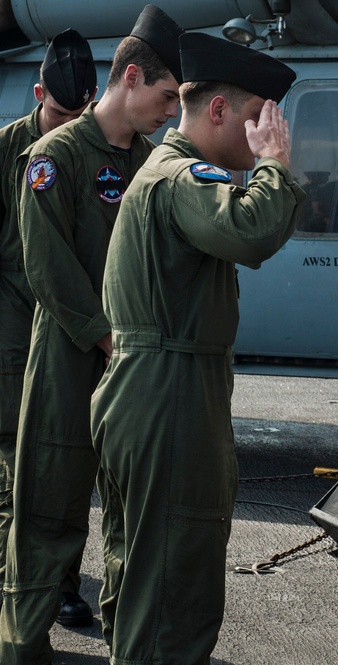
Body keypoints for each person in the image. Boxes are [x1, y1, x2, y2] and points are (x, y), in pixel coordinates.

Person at [90, 32, 302, 663]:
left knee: (140, 580)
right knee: (173, 593)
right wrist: (275, 166)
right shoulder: (183, 177)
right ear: (218, 112)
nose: (269, 133)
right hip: (170, 401)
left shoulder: (163, 172)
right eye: (259, 118)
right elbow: (253, 229)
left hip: (152, 392)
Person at [0, 6, 184, 662]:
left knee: (132, 516)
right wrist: (108, 337)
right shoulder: (51, 158)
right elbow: (45, 265)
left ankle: (130, 645)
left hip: (135, 366)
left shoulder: (157, 167)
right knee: (45, 507)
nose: (170, 113)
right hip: (66, 357)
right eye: (165, 97)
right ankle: (21, 644)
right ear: (130, 77)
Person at [0, 27, 98, 632]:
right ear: (38, 95)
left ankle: (59, 583)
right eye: (60, 113)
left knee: (70, 466)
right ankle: (25, 586)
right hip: (13, 334)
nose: (69, 125)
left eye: (79, 113)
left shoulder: (94, 148)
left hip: (71, 332)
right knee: (17, 469)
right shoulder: (6, 152)